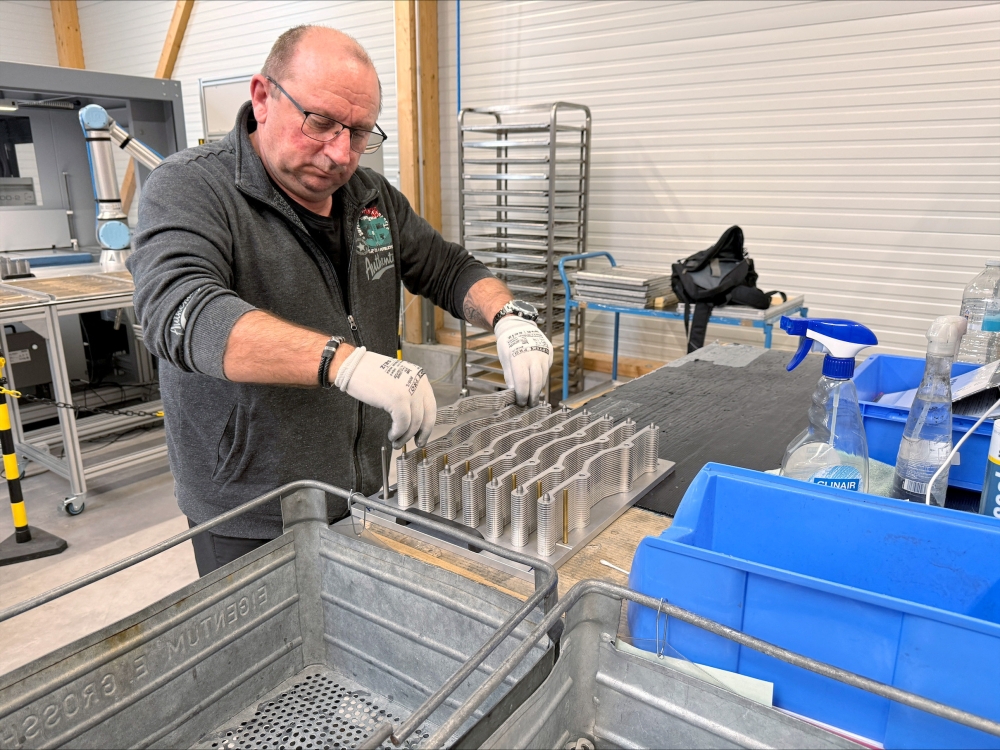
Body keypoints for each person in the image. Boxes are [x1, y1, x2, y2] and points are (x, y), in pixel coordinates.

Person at [128, 25, 553, 576]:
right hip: (250, 510)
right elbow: (181, 310)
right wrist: (341, 361)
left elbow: (447, 267)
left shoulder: (371, 198)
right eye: (321, 123)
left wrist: (508, 315)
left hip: (364, 488)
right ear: (262, 97)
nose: (338, 153)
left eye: (357, 133)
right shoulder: (191, 188)